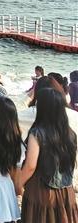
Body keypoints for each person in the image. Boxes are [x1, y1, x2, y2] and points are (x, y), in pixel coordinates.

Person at [17, 88, 78, 222]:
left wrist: (18, 184)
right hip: (66, 191)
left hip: (41, 191)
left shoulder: (37, 133)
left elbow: (30, 166)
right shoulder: (70, 134)